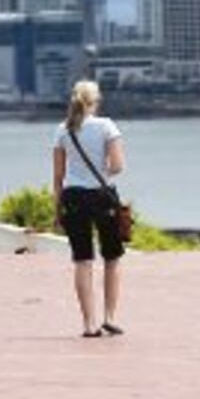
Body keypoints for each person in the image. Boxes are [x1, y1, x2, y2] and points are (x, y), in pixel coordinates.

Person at [52, 81, 126, 338]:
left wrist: (57, 210)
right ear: (95, 101)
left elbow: (58, 175)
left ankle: (88, 323)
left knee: (82, 260)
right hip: (102, 196)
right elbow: (118, 166)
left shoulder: (62, 129)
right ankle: (109, 317)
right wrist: (103, 168)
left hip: (73, 197)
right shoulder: (106, 126)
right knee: (112, 258)